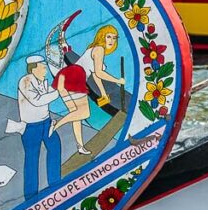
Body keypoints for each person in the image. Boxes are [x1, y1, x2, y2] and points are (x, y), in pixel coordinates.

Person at [51, 25, 125, 156]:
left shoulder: (93, 49)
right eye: (108, 37)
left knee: (76, 115)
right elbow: (100, 73)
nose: (111, 41)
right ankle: (56, 124)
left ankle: (80, 146)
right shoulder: (99, 49)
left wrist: (102, 93)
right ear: (101, 37)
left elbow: (96, 77)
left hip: (65, 76)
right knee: (84, 113)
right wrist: (118, 81)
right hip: (75, 76)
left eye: (114, 38)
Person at [7, 56, 62, 198]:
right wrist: (58, 92)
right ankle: (31, 197)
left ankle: (55, 185)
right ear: (34, 68)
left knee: (55, 147)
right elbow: (38, 100)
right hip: (31, 127)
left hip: (46, 123)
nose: (45, 70)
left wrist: (60, 83)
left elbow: (49, 92)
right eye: (43, 67)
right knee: (32, 158)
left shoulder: (42, 81)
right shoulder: (25, 82)